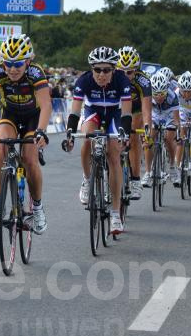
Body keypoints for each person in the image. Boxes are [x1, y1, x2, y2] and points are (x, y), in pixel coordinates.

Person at [0, 34, 50, 234]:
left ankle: (37, 208)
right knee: (3, 145)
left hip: (32, 117)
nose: (12, 69)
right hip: (8, 113)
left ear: (27, 61)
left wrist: (41, 131)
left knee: (28, 157)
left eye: (17, 64)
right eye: (8, 63)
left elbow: (46, 105)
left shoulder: (36, 73)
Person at [65, 46, 132, 235]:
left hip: (115, 115)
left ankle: (115, 214)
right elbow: (75, 111)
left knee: (113, 154)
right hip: (93, 112)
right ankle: (87, 180)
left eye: (106, 70)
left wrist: (124, 135)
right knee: (87, 138)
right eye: (97, 69)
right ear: (91, 69)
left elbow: (126, 113)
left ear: (114, 70)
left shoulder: (122, 81)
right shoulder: (84, 80)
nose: (101, 74)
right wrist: (70, 133)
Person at [116, 46, 152, 200]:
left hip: (136, 109)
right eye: (121, 71)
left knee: (133, 135)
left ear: (136, 70)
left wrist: (147, 127)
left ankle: (136, 179)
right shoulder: (112, 76)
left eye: (129, 72)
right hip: (118, 107)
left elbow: (146, 109)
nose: (125, 75)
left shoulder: (143, 80)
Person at [145, 70, 181, 186]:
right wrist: (147, 132)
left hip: (169, 114)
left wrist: (177, 131)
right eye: (156, 94)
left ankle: (172, 166)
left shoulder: (173, 96)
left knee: (169, 139)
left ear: (167, 90)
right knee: (149, 140)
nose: (159, 97)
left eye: (162, 94)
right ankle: (148, 172)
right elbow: (146, 115)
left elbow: (176, 119)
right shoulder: (148, 95)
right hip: (155, 113)